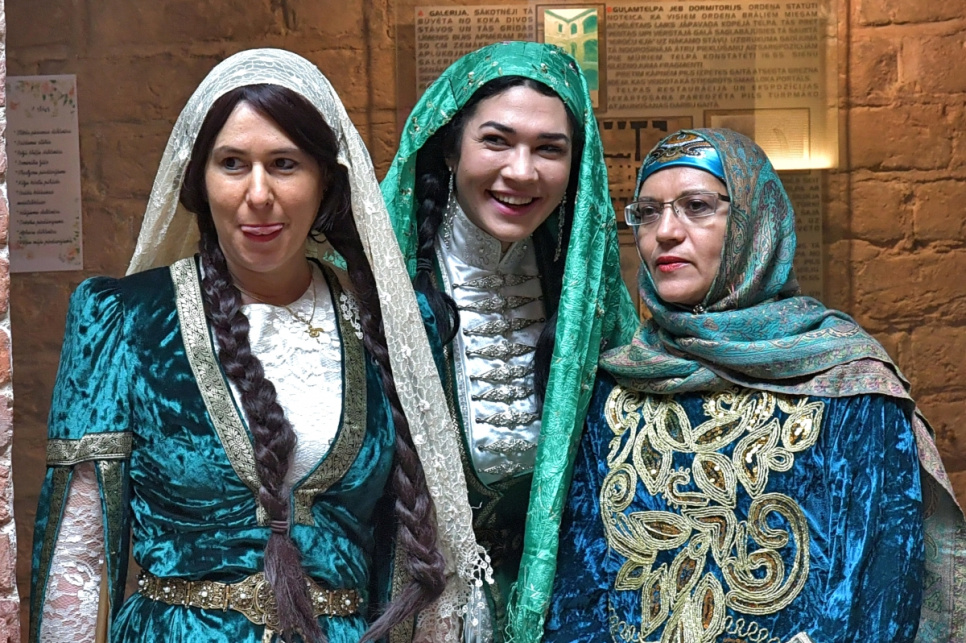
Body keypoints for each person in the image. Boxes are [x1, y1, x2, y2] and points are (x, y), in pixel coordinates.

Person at [29, 49, 490, 643]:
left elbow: (414, 551)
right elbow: (79, 558)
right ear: (199, 181)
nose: (258, 193)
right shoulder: (126, 320)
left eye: (284, 164)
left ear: (326, 180)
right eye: (232, 163)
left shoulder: (392, 328)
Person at [544, 129, 966, 642]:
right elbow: (578, 584)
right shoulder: (616, 383)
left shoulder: (850, 383)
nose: (665, 232)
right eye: (648, 212)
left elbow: (875, 591)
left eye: (696, 207)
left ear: (754, 222)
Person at [381, 41, 638, 641]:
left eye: (549, 149)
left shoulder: (583, 302)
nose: (522, 172)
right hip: (399, 607)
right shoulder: (377, 283)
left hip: (550, 608)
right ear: (450, 148)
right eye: (496, 141)